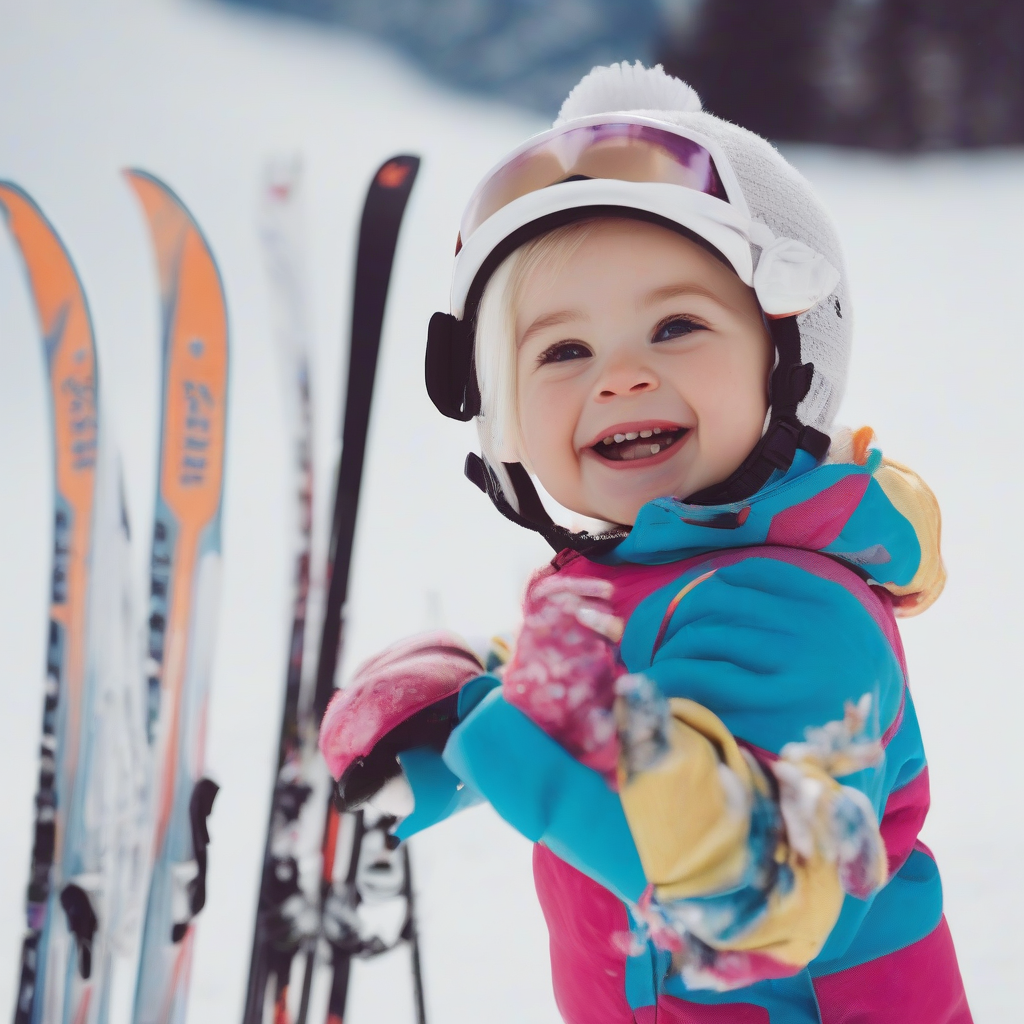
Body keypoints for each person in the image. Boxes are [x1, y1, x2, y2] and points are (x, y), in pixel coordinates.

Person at [319, 62, 972, 1022]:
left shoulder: (798, 613)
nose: (620, 378)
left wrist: (538, 739)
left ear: (788, 360)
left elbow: (757, 895)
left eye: (675, 326)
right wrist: (470, 707)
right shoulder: (657, 572)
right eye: (563, 351)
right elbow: (651, 680)